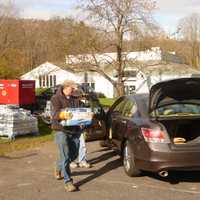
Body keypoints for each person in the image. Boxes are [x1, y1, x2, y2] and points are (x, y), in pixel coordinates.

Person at [51, 80, 82, 192]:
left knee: (73, 155)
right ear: (65, 87)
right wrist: (64, 114)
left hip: (74, 131)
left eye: (74, 89)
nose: (74, 90)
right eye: (72, 88)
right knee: (65, 156)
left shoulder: (75, 99)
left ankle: (58, 167)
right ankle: (68, 182)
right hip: (61, 130)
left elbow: (81, 112)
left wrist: (87, 114)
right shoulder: (55, 98)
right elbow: (55, 114)